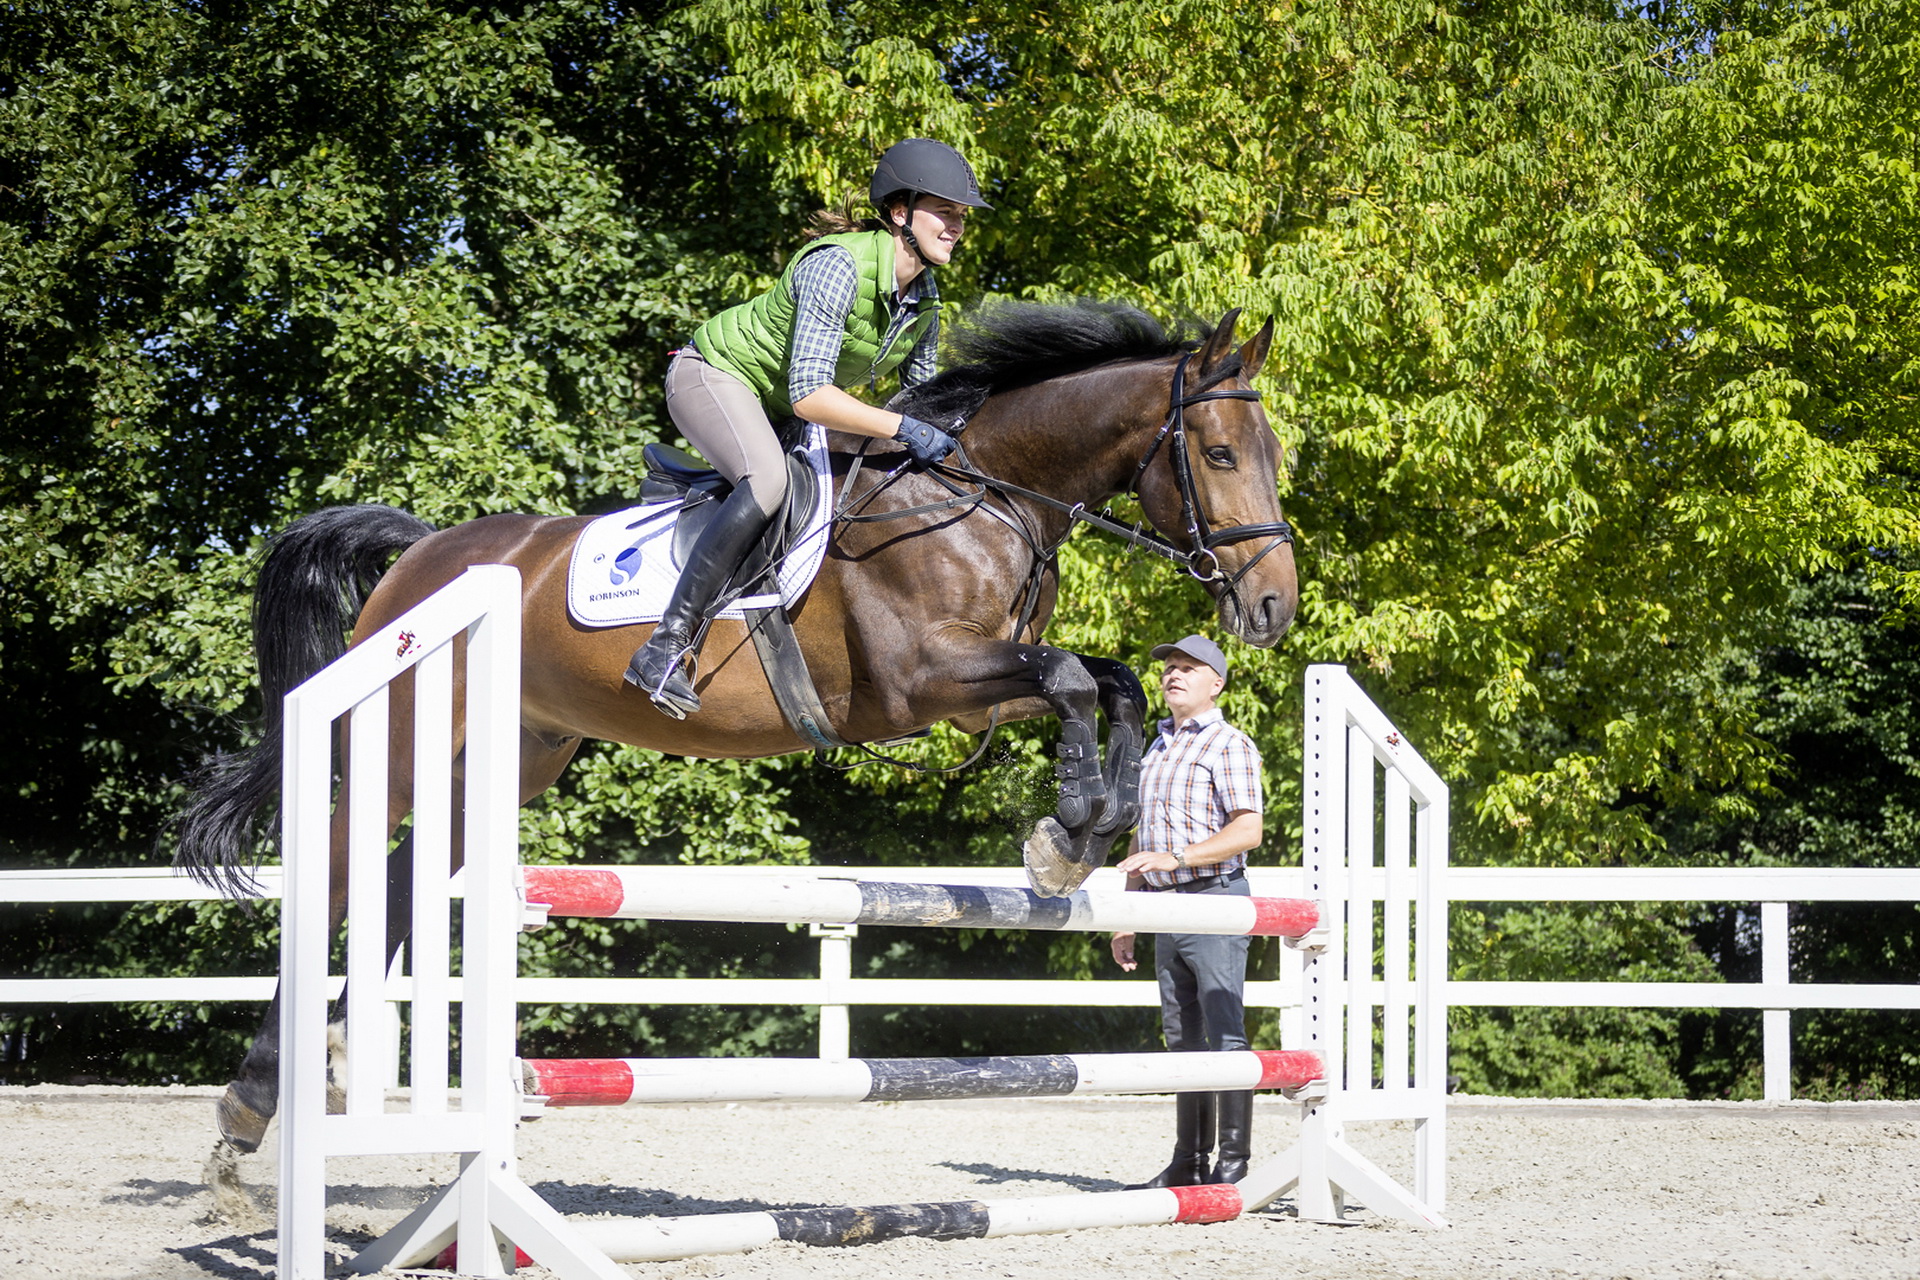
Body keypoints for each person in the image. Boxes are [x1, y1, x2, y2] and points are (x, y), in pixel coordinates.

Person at [624, 138, 990, 718]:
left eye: (961, 216)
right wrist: (903, 427)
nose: (956, 227)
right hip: (715, 375)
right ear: (901, 213)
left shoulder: (925, 297)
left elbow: (921, 401)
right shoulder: (837, 265)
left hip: (779, 407)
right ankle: (665, 646)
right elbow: (812, 394)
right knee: (768, 481)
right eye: (944, 211)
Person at [1110, 633, 1264, 1187]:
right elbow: (1140, 838)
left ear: (1215, 684)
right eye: (1169, 667)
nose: (1173, 675)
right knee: (1182, 1039)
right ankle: (1189, 1160)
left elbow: (1249, 829)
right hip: (1164, 908)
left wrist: (1177, 857)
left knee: (1224, 1033)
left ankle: (1234, 1161)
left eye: (1187, 668)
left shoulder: (1229, 745)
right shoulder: (1154, 749)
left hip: (1215, 897)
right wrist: (1127, 914)